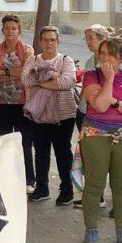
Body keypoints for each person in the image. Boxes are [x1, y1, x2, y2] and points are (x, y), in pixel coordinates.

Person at [78, 38, 122, 243]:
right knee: (94, 184)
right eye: (102, 53)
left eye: (110, 54)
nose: (105, 58)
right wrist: (108, 80)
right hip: (96, 134)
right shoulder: (92, 75)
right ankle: (91, 230)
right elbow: (99, 105)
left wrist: (116, 103)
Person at [22, 26, 77, 205]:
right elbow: (26, 80)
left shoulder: (66, 60)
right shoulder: (32, 60)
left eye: (52, 39)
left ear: (58, 41)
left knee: (63, 153)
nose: (49, 43)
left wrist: (40, 81)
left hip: (63, 115)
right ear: (40, 42)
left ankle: (67, 190)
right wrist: (52, 77)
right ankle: (42, 188)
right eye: (45, 40)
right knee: (41, 152)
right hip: (38, 114)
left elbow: (67, 82)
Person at [0, 15, 36, 191]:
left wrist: (3, 72)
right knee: (4, 142)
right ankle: (6, 178)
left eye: (14, 28)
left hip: (23, 103)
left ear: (19, 30)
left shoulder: (28, 50)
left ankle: (28, 180)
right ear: (2, 31)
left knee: (25, 142)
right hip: (1, 103)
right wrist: (13, 73)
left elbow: (26, 72)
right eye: (7, 28)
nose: (10, 31)